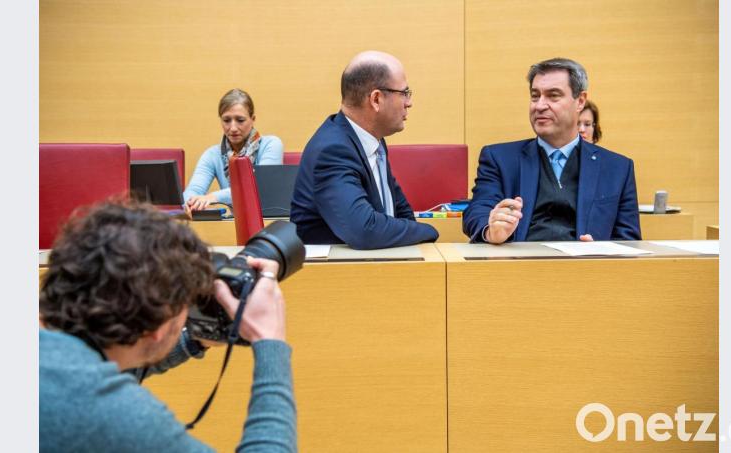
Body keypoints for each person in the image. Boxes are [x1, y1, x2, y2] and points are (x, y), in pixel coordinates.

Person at [39, 200, 296, 452]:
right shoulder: (116, 415)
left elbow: (97, 364)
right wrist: (269, 341)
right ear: (156, 329)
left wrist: (196, 339)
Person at [463, 58, 640, 244]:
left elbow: (629, 241)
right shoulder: (500, 158)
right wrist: (491, 230)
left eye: (553, 95)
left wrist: (603, 252)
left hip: (586, 269)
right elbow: (477, 210)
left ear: (580, 101)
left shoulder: (617, 168)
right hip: (517, 267)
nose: (539, 105)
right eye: (535, 96)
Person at [290, 50, 438, 249]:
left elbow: (401, 213)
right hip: (335, 274)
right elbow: (364, 230)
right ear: (376, 99)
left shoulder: (372, 140)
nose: (409, 103)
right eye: (404, 93)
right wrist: (431, 231)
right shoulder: (332, 150)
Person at [184, 88, 284, 211]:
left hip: (268, 222)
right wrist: (191, 202)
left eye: (240, 120)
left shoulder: (271, 144)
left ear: (253, 119)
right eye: (226, 120)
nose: (233, 128)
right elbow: (193, 191)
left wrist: (213, 197)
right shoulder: (212, 154)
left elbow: (257, 188)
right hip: (232, 223)